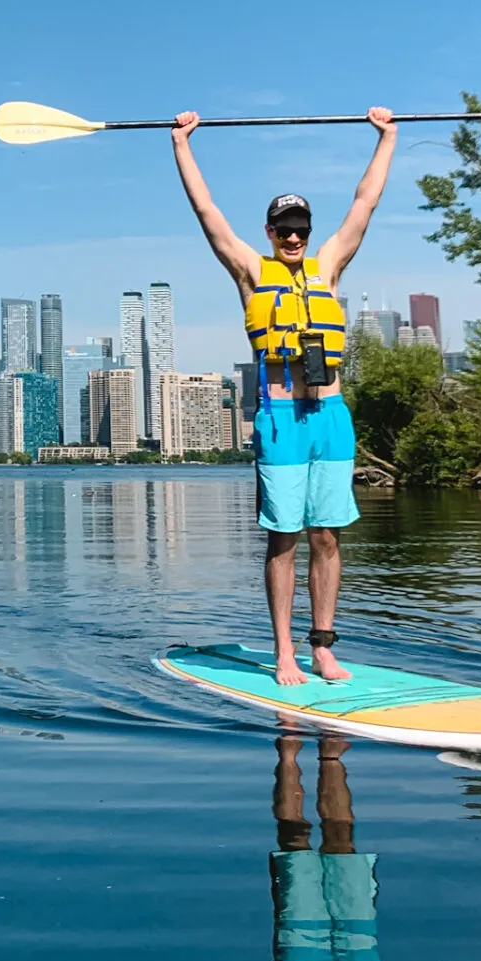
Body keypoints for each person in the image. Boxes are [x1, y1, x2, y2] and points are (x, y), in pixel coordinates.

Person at [171, 107, 397, 685]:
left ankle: (323, 645)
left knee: (327, 534)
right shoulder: (251, 269)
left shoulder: (328, 268)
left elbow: (364, 205)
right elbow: (207, 214)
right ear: (270, 233)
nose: (294, 236)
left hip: (331, 415)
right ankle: (284, 652)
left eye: (301, 227)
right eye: (284, 228)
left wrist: (387, 137)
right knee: (284, 537)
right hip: (280, 417)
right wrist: (182, 145)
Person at [270, 734, 386, 961]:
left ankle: (288, 753)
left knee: (295, 842)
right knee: (341, 843)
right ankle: (331, 758)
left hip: (301, 948)